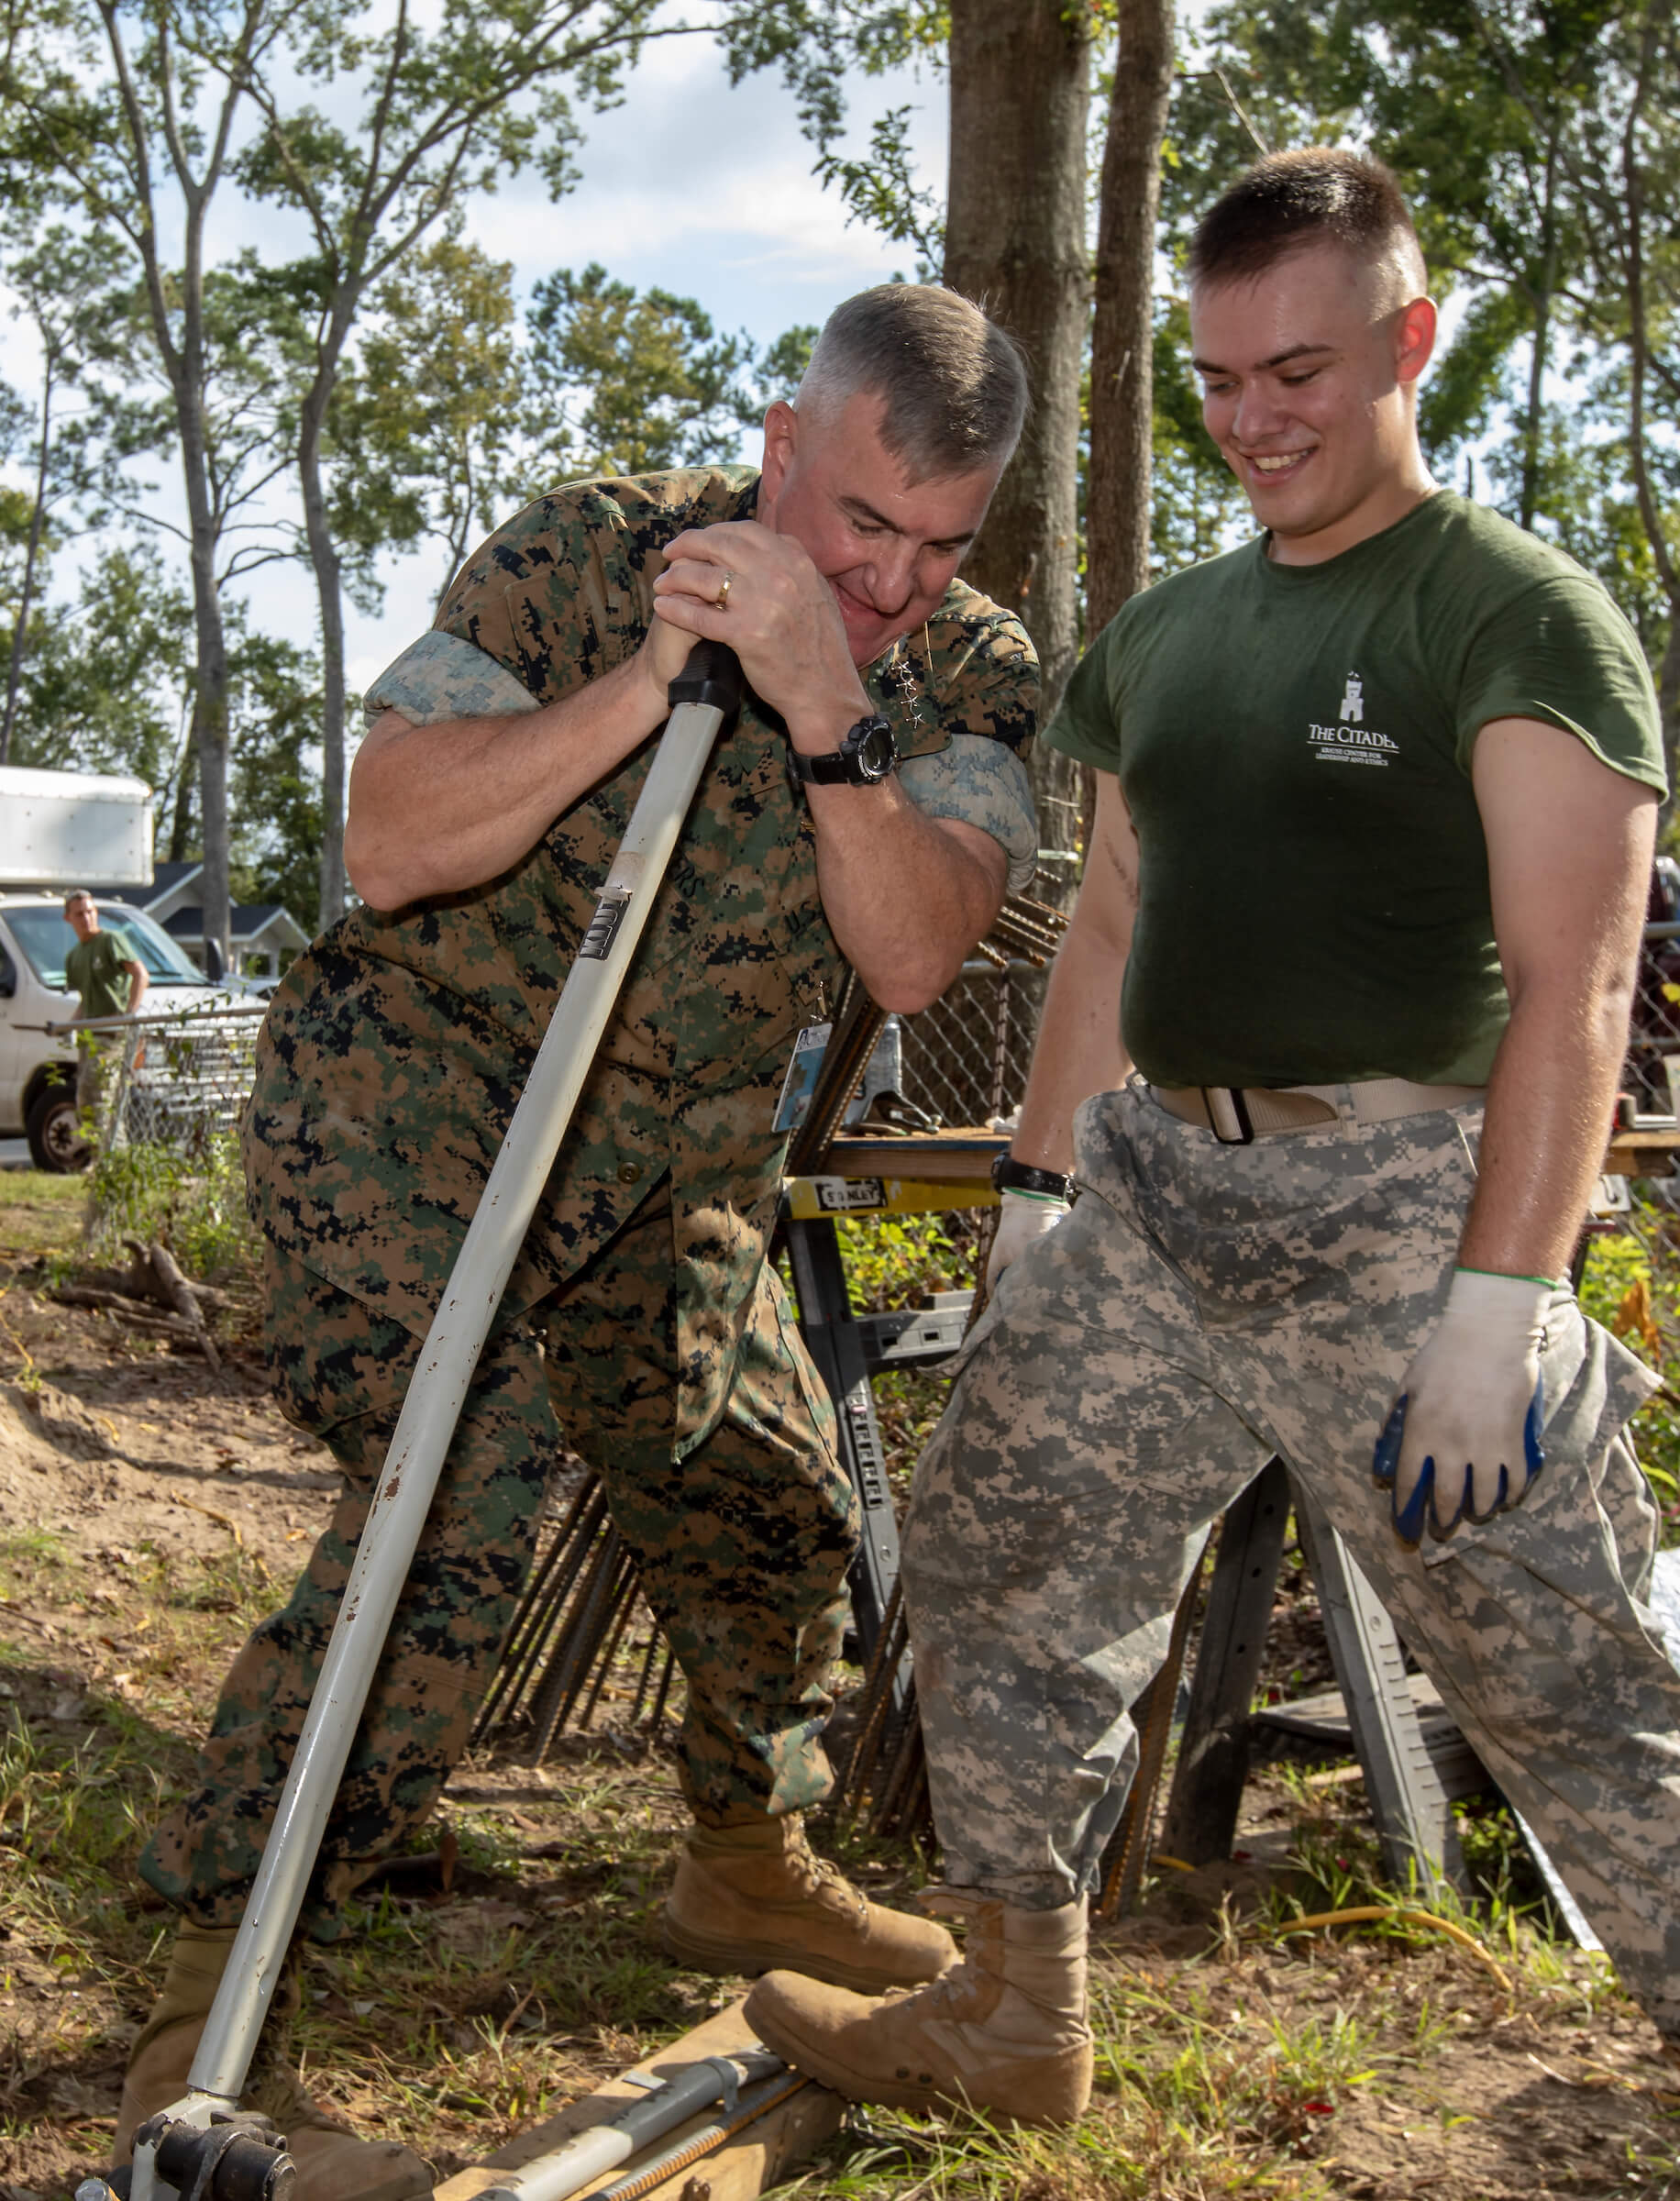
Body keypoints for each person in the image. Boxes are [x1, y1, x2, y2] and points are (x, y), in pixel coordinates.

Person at [746, 149, 1680, 2129]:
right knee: (1002, 1556)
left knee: (1571, 1686)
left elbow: (1574, 983)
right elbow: (1104, 920)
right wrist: (1040, 1194)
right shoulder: (1168, 634)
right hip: (1158, 1204)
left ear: (1410, 345)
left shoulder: (1513, 616)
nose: (1253, 419)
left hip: (1398, 1218)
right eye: (1222, 379)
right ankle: (1011, 2011)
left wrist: (1498, 1306)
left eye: (1301, 373)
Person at [114, 283, 1042, 2199]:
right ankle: (219, 1980)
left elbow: (914, 949)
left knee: (767, 1487)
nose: (891, 580)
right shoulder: (581, 549)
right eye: (861, 525)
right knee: (458, 1489)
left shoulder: (961, 672)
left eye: (939, 545)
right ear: (785, 451)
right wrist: (655, 682)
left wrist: (822, 703)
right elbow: (386, 839)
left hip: (667, 1165)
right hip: (415, 1100)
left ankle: (742, 1858)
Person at [62, 889, 149, 1141]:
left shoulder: (110, 940)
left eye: (90, 911)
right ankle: (100, 1161)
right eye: (79, 914)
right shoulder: (73, 957)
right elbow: (85, 1002)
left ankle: (112, 1161)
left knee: (103, 1099)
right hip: (90, 1037)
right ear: (68, 918)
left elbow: (140, 974)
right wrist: (69, 1027)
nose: (86, 918)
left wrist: (129, 1014)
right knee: (85, 1100)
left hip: (113, 1036)